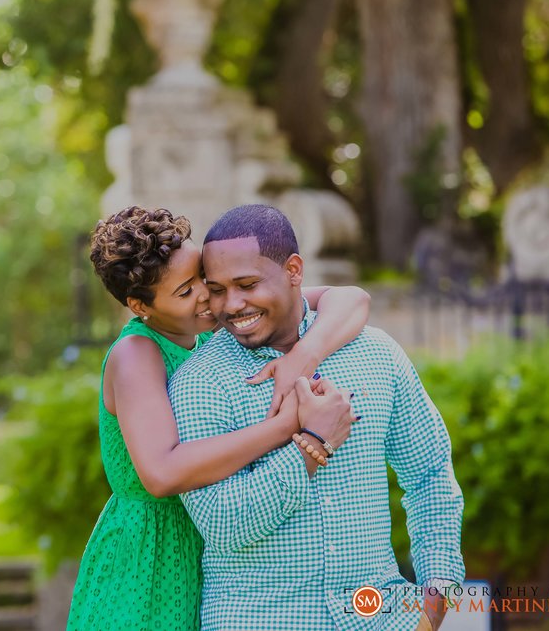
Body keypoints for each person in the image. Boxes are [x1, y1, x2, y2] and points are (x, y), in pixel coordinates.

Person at [67, 206, 368, 631]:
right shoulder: (137, 354)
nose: (210, 298)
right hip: (149, 556)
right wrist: (287, 426)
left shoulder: (206, 328)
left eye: (203, 280)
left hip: (210, 548)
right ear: (140, 305)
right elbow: (162, 472)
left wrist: (304, 355)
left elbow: (352, 299)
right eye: (187, 291)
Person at [168, 205, 464, 631]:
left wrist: (437, 598)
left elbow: (430, 474)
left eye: (247, 284)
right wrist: (312, 445)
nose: (232, 305)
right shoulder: (201, 382)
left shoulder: (375, 354)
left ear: (293, 270)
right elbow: (223, 525)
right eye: (216, 289)